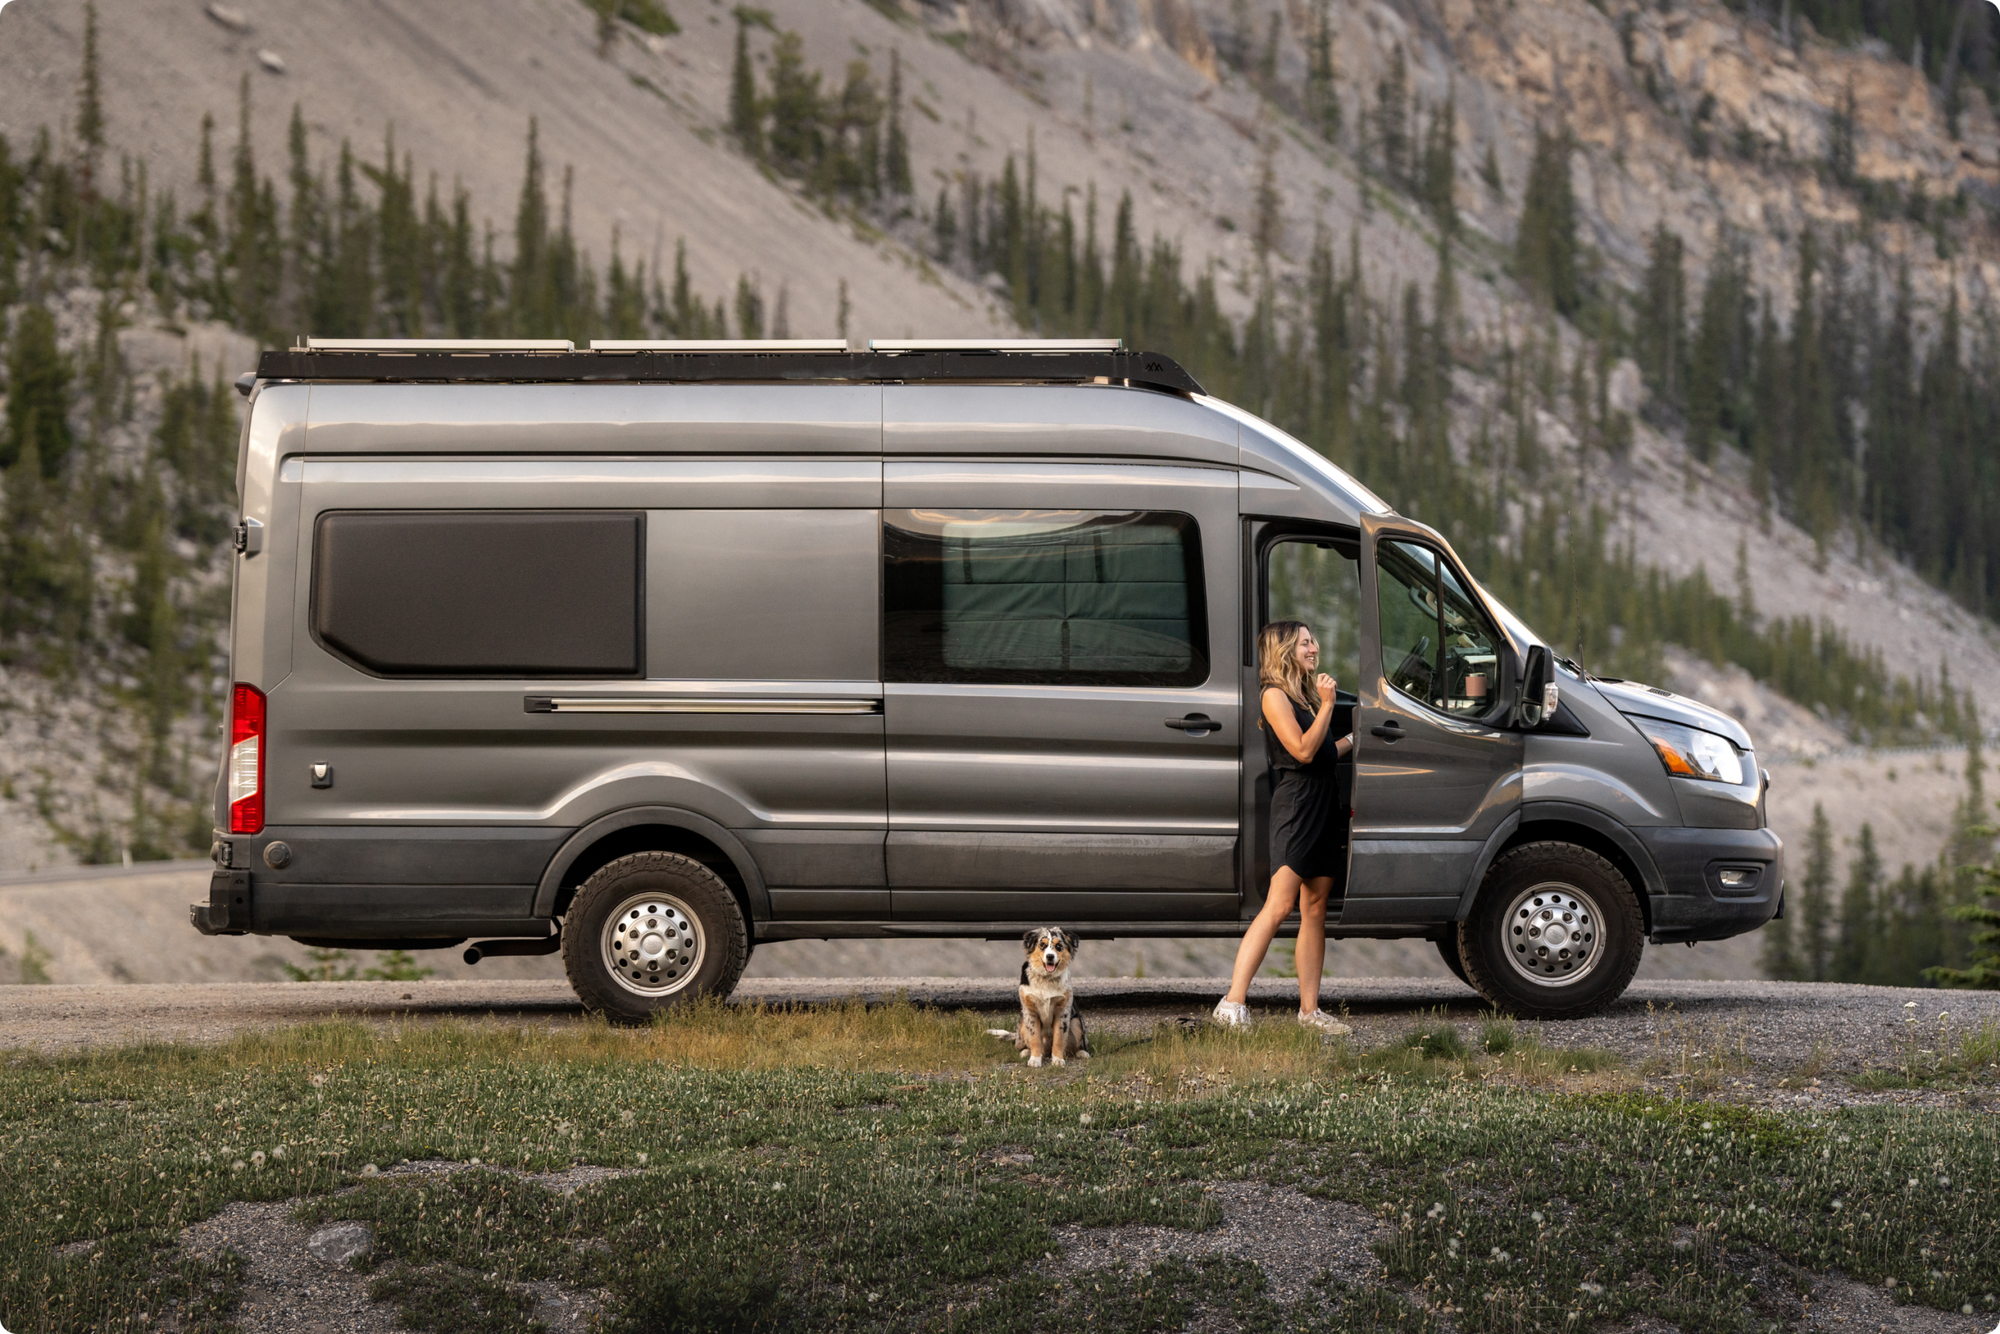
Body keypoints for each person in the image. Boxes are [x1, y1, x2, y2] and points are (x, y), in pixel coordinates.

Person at [1213, 621, 1355, 1033]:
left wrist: (1359, 734)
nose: (1315, 648)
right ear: (1286, 650)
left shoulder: (1305, 696)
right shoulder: (1274, 696)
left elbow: (1327, 749)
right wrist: (1329, 706)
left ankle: (1310, 1012)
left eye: (1314, 641)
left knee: (1315, 909)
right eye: (1306, 642)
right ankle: (1232, 1002)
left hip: (1325, 804)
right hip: (1296, 806)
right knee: (1279, 905)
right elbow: (1304, 750)